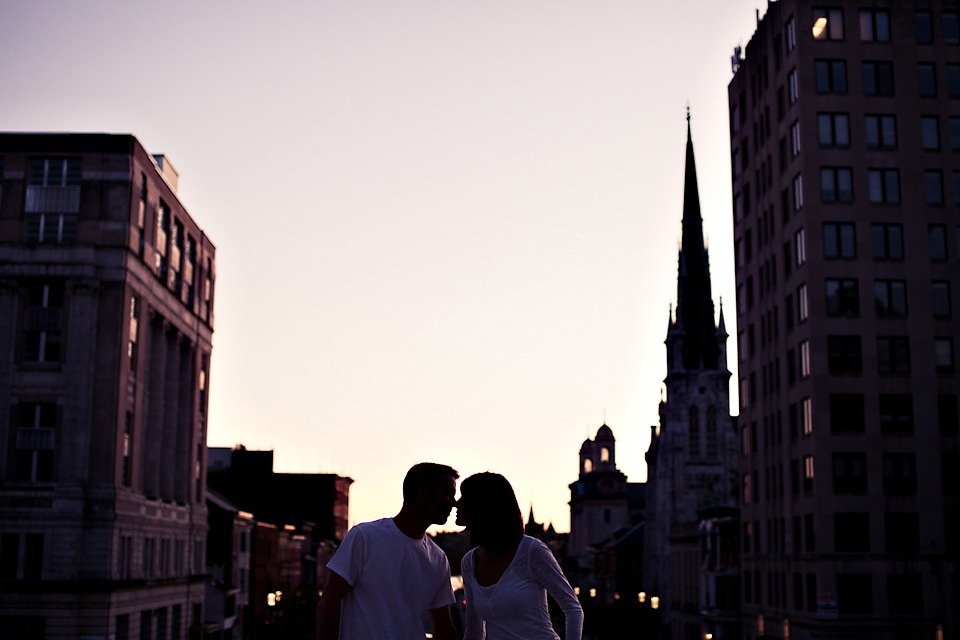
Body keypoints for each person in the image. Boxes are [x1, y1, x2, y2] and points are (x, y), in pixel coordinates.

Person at [317, 462, 460, 640]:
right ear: (422, 491)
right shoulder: (365, 537)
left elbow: (444, 626)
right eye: (447, 493)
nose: (452, 504)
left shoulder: (437, 558)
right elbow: (330, 602)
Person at [457, 472, 583, 640]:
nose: (456, 504)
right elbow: (474, 630)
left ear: (482, 506)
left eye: (464, 497)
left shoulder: (531, 551)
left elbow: (573, 609)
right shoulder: (469, 562)